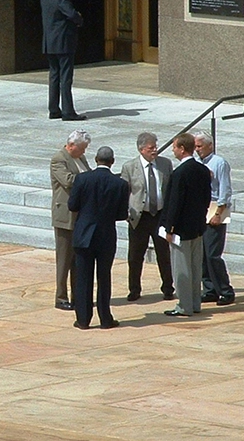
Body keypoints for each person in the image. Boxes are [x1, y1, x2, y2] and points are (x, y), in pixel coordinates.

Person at [68, 145, 130, 329]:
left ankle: (83, 319)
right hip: (106, 236)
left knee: (83, 277)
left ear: (96, 160)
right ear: (112, 162)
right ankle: (105, 318)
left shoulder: (82, 179)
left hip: (84, 234)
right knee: (104, 277)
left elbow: (72, 205)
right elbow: (121, 214)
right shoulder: (120, 184)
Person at [119, 132, 175, 302]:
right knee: (135, 255)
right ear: (141, 149)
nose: (155, 150)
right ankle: (134, 289)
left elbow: (169, 189)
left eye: (156, 147)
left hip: (159, 215)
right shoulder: (130, 167)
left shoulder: (165, 164)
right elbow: (125, 192)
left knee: (164, 254)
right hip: (139, 217)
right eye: (151, 148)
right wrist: (127, 213)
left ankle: (168, 288)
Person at [161, 134, 211, 317]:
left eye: (174, 147)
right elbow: (206, 198)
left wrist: (169, 227)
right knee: (196, 267)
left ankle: (184, 306)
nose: (173, 150)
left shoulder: (179, 173)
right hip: (197, 227)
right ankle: (195, 303)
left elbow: (174, 203)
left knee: (182, 269)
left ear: (182, 149)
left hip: (181, 230)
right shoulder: (202, 170)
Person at [50, 129, 91, 310]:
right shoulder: (58, 159)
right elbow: (68, 181)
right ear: (71, 145)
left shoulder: (80, 158)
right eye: (82, 148)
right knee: (64, 259)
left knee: (77, 259)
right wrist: (90, 180)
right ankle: (61, 297)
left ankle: (78, 295)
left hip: (81, 215)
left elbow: (87, 174)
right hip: (65, 216)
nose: (84, 152)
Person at [195, 130, 236, 306]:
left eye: (200, 146)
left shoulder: (219, 163)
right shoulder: (197, 162)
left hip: (215, 208)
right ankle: (209, 289)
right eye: (195, 146)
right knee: (202, 254)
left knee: (212, 254)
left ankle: (225, 290)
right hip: (201, 209)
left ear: (210, 146)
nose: (197, 150)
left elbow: (225, 190)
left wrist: (218, 213)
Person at [40, 0, 86, 121]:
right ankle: (68, 111)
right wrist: (79, 18)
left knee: (54, 76)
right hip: (63, 43)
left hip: (50, 43)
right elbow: (71, 14)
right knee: (65, 77)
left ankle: (54, 109)